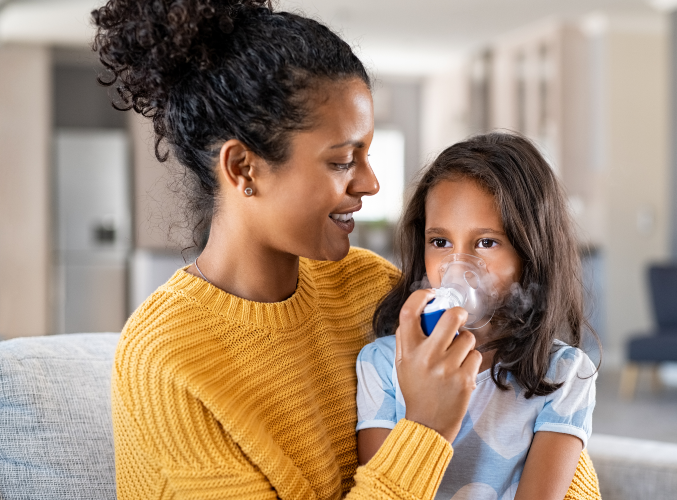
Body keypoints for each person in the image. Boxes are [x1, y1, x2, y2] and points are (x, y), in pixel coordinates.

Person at [93, 1, 481, 498]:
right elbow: (434, 434)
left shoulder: (371, 287)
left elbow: (524, 418)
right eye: (343, 159)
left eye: (367, 153)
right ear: (243, 169)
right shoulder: (165, 362)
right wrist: (424, 432)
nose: (371, 182)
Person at [357, 133, 601, 500]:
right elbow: (384, 490)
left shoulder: (564, 375)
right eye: (440, 242)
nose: (458, 266)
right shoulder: (383, 364)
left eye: (486, 242)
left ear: (530, 251)